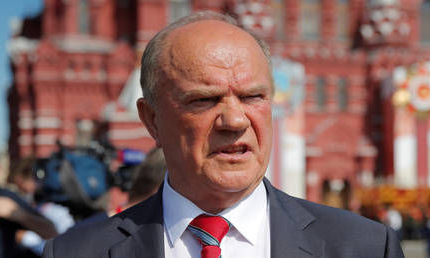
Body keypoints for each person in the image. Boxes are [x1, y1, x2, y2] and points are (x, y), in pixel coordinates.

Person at [43, 11, 404, 257]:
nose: (234, 120)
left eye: (253, 97)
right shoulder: (76, 252)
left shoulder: (365, 247)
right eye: (204, 99)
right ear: (151, 120)